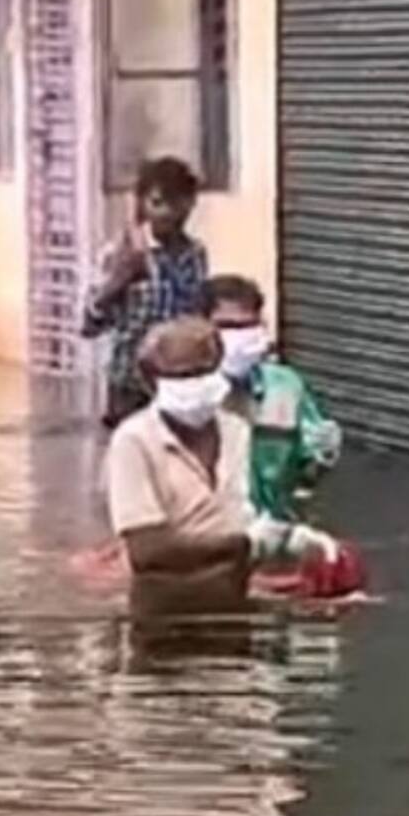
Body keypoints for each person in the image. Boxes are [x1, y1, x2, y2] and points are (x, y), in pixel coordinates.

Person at [103, 318, 320, 613]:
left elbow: (260, 507)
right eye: (182, 375)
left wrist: (291, 539)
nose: (195, 384)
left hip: (236, 597)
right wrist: (245, 544)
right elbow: (147, 552)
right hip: (165, 610)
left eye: (204, 371)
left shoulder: (238, 431)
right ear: (151, 381)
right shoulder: (134, 441)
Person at [203, 274, 344, 523]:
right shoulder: (186, 396)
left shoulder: (284, 386)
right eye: (227, 326)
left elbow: (307, 469)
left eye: (248, 326)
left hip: (272, 528)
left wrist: (321, 455)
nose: (239, 336)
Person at [84, 156, 211, 429]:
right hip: (130, 387)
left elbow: (197, 314)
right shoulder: (120, 252)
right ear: (142, 203)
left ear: (190, 203)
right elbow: (88, 324)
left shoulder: (195, 254)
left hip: (180, 383)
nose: (167, 213)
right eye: (157, 203)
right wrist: (119, 280)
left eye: (178, 203)